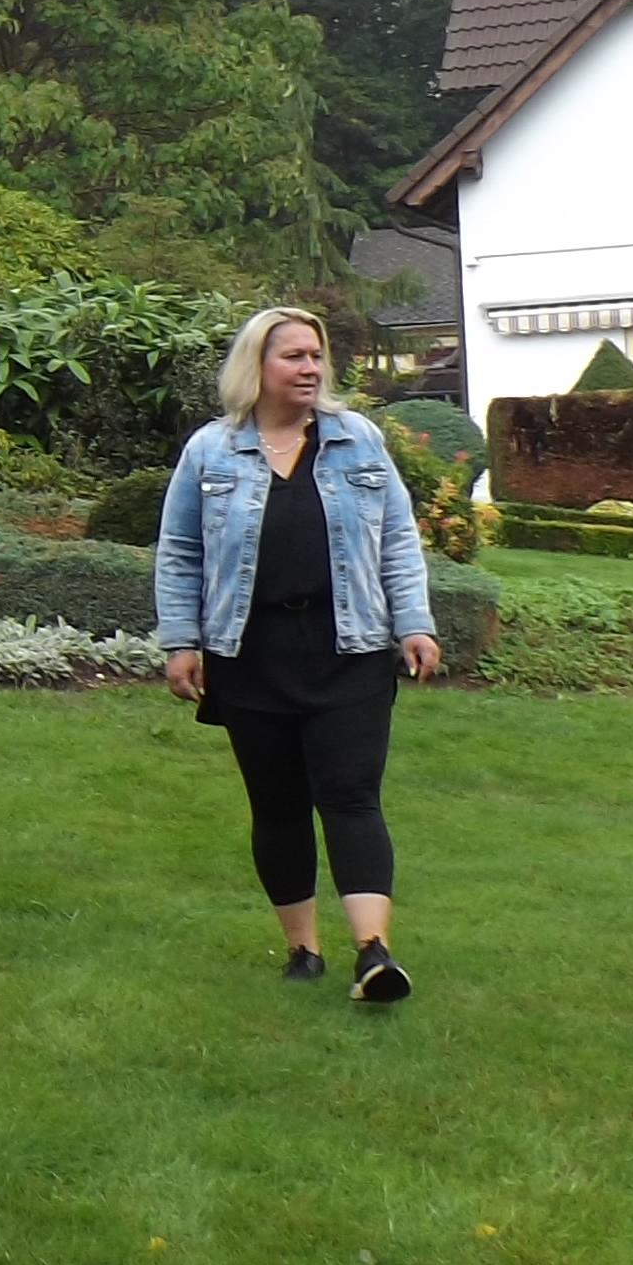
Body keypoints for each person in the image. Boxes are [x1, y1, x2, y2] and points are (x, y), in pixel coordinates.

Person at [154, 306, 443, 1003]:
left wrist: (415, 623)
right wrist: (181, 641)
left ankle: (373, 952)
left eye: (316, 356)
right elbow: (181, 551)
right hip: (251, 656)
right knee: (277, 805)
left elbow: (398, 538)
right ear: (257, 366)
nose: (311, 368)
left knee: (351, 797)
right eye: (294, 356)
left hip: (350, 649)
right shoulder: (211, 451)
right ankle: (303, 950)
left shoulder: (358, 439)